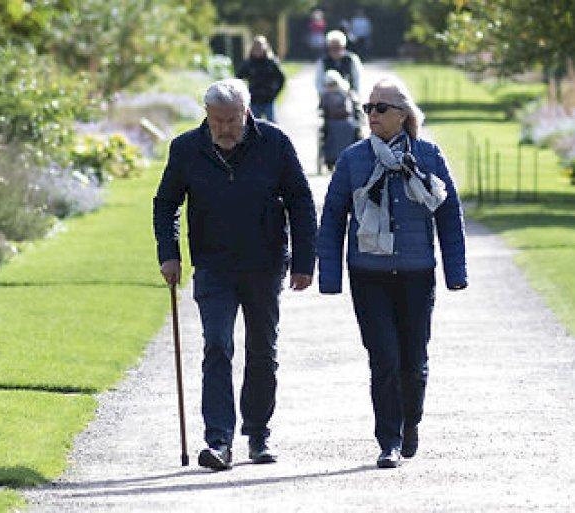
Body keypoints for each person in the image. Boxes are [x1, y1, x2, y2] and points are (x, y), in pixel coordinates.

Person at [153, 78, 318, 471]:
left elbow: (301, 201)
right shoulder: (186, 149)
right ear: (206, 116)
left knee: (263, 350)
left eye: (231, 120)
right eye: (217, 120)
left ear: (246, 112)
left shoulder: (274, 144)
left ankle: (258, 434)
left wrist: (303, 262)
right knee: (217, 345)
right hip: (213, 265)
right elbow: (166, 205)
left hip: (264, 264)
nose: (225, 128)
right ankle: (219, 441)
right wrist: (169, 254)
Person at [316, 77, 467, 469]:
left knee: (413, 360)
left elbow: (449, 215)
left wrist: (456, 271)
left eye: (380, 108)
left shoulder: (429, 156)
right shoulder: (353, 159)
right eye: (368, 108)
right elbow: (332, 218)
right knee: (383, 358)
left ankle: (410, 423)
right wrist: (329, 277)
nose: (372, 116)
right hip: (368, 274)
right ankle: (389, 440)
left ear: (403, 115)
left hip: (417, 273)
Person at [236, 35, 285, 123]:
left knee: (272, 125)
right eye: (256, 48)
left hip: (268, 99)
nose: (258, 50)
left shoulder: (271, 63)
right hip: (254, 99)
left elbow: (281, 78)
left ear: (265, 48)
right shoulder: (248, 64)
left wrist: (275, 93)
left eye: (260, 48)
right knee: (252, 125)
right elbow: (238, 78)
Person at [319, 70, 361, 170]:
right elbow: (321, 109)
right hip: (331, 121)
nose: (331, 86)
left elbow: (355, 107)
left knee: (351, 128)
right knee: (330, 132)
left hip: (347, 120)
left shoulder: (347, 93)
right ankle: (331, 159)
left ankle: (351, 157)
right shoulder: (325, 96)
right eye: (329, 84)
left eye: (333, 84)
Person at [315, 30, 363, 96]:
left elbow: (357, 78)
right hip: (328, 94)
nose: (335, 51)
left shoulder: (352, 59)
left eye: (338, 48)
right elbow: (318, 81)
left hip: (348, 93)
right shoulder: (323, 61)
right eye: (332, 48)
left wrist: (355, 93)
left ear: (343, 47)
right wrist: (324, 92)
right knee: (330, 75)